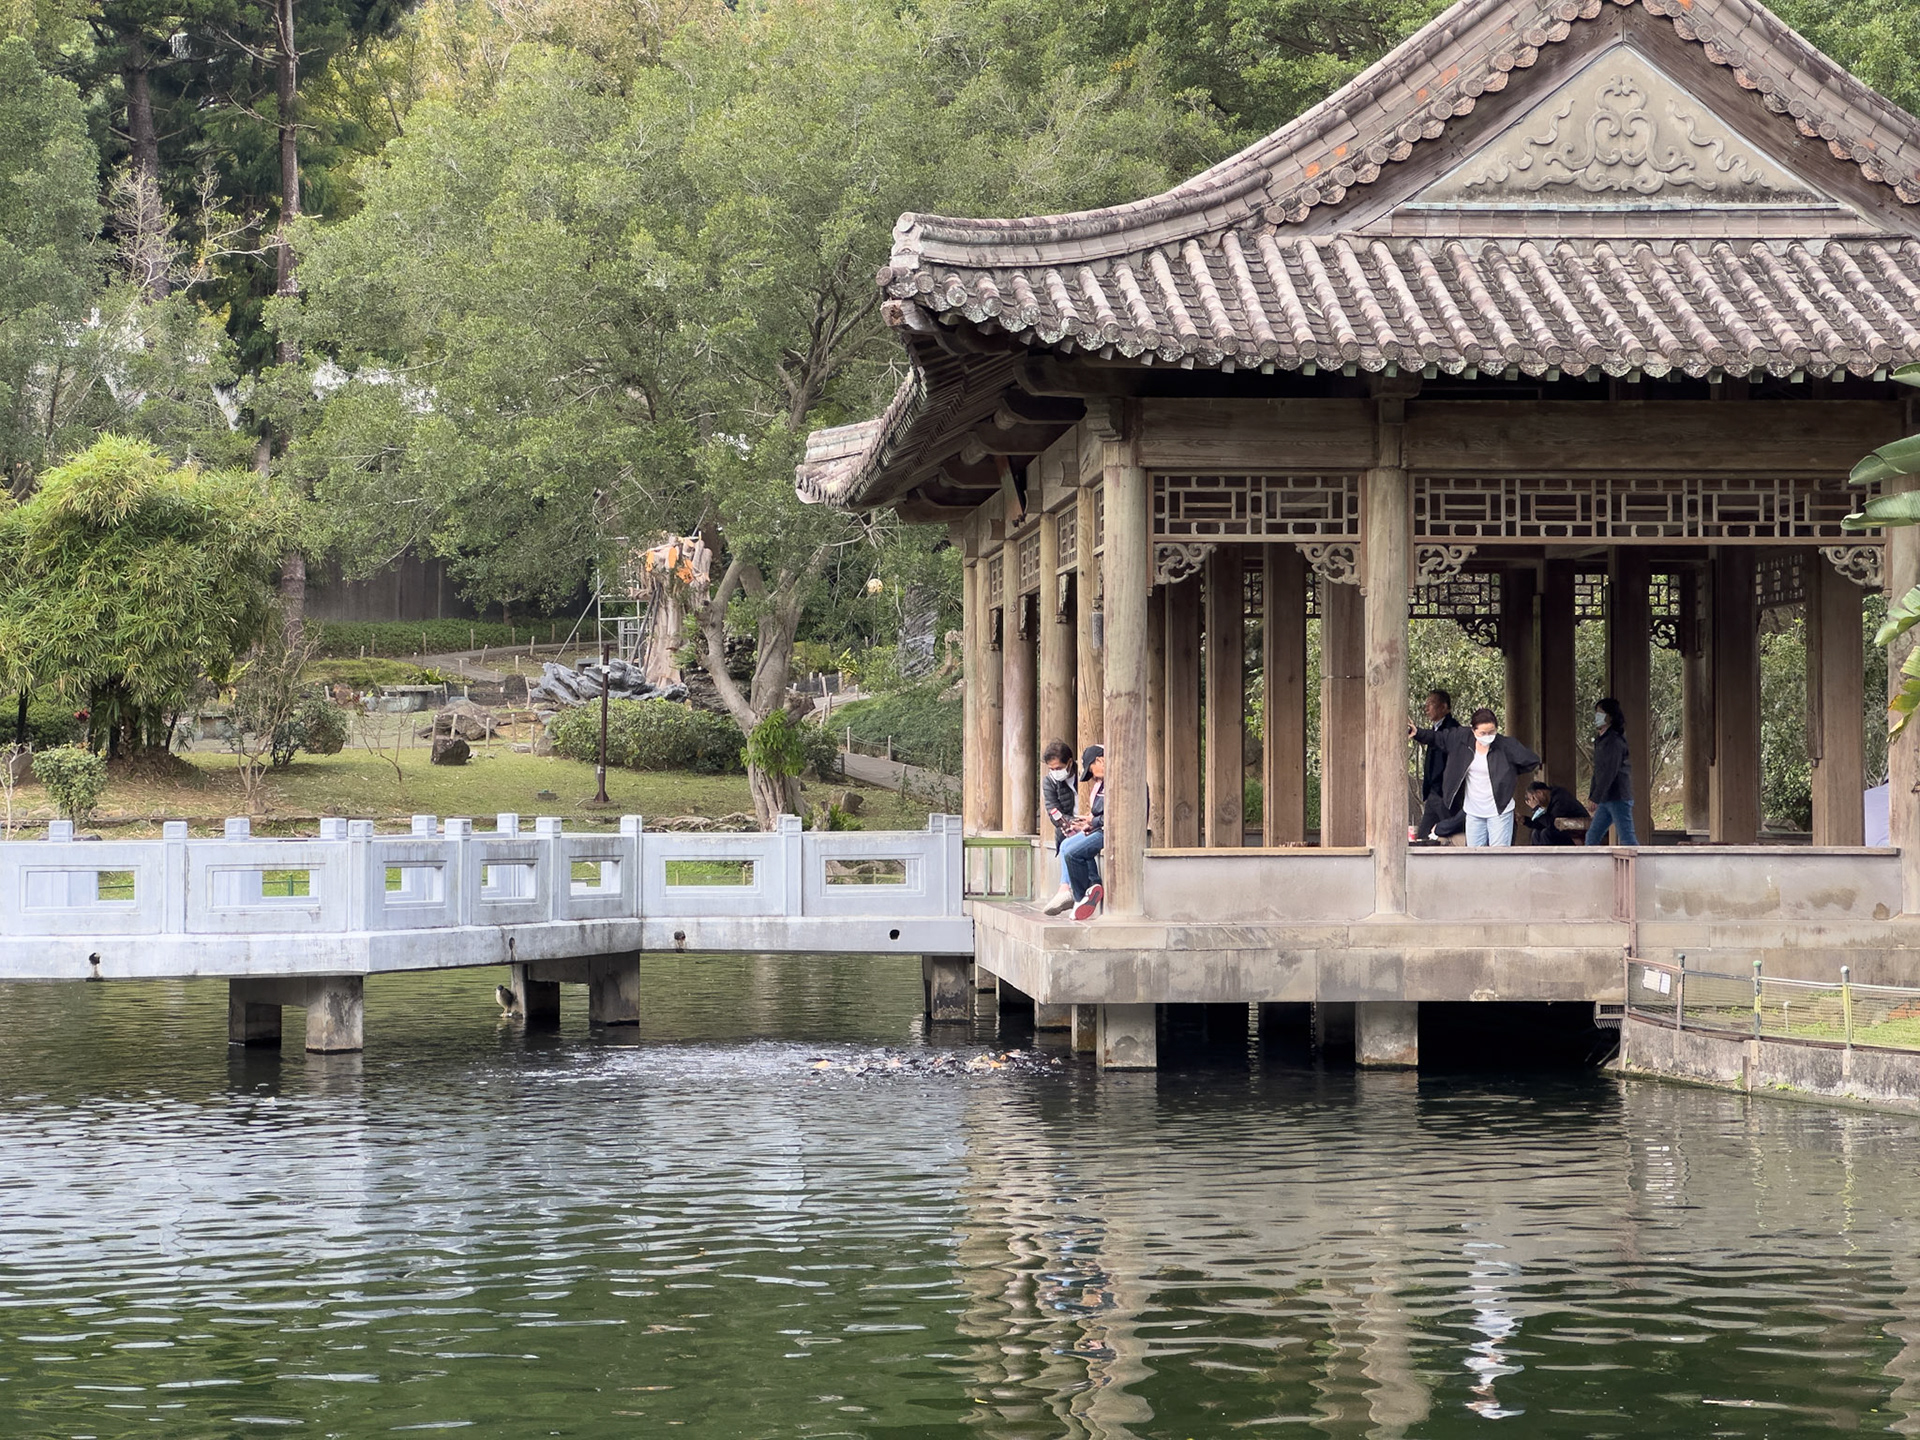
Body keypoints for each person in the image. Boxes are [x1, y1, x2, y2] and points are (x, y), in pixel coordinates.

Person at [1409, 707, 1540, 848]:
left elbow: (1531, 760)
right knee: (1474, 856)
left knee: (1498, 856)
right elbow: (1438, 738)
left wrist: (1507, 773)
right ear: (1473, 730)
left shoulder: (1505, 745)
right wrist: (1418, 733)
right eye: (1483, 733)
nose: (1487, 736)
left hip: (1499, 811)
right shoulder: (1461, 738)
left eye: (1492, 732)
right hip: (1473, 812)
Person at [1410, 689, 1465, 843]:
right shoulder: (1435, 729)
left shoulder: (1453, 729)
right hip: (1433, 792)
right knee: (1423, 836)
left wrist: (1442, 788)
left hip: (1444, 793)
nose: (1427, 708)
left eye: (1431, 704)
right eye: (1426, 704)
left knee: (1451, 834)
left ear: (1444, 707)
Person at [1059, 744, 1106, 920]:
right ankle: (1092, 887)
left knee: (1073, 853)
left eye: (1091, 770)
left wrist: (1093, 822)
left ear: (1100, 760)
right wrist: (1087, 823)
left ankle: (1082, 897)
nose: (1093, 777)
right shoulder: (1102, 785)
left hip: (1110, 832)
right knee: (1068, 845)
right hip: (1100, 828)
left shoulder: (1117, 782)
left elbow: (1115, 815)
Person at [1586, 697, 1638, 846]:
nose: (1597, 716)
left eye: (1600, 712)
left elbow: (1610, 771)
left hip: (1618, 796)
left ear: (1610, 716)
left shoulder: (1615, 741)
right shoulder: (1601, 740)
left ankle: (1640, 861)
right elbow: (1598, 771)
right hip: (1606, 798)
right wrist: (1593, 795)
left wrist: (1596, 796)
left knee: (1627, 838)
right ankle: (1592, 862)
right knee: (1592, 837)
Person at [1040, 739, 1081, 915]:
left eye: (1058, 768)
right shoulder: (1050, 782)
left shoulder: (1085, 773)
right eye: (1052, 769)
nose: (1055, 772)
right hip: (1069, 828)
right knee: (1068, 844)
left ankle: (1065, 890)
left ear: (1069, 762)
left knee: (1068, 847)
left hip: (1092, 823)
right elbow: (1053, 810)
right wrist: (1073, 824)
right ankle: (1071, 892)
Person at [1521, 779, 1589, 846]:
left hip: (1576, 832)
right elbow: (1544, 824)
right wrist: (1525, 820)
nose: (1534, 802)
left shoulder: (1560, 799)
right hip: (1565, 830)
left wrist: (1536, 809)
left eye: (1533, 798)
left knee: (1546, 833)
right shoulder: (1551, 800)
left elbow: (1553, 824)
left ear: (1540, 793)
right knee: (1536, 833)